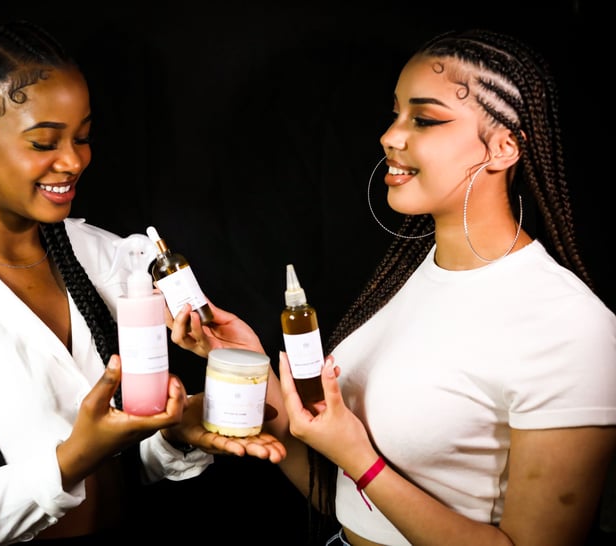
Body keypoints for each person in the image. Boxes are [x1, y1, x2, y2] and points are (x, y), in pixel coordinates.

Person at [167, 28, 616, 545]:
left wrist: (360, 458)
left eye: (424, 119)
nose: (390, 136)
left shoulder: (567, 325)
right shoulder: (410, 277)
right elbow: (341, 496)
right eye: (396, 113)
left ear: (503, 147)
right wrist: (250, 365)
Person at [0, 20, 284, 546]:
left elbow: (121, 469)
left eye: (82, 137)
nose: (74, 161)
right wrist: (73, 456)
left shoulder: (108, 261)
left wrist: (172, 434)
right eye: (43, 141)